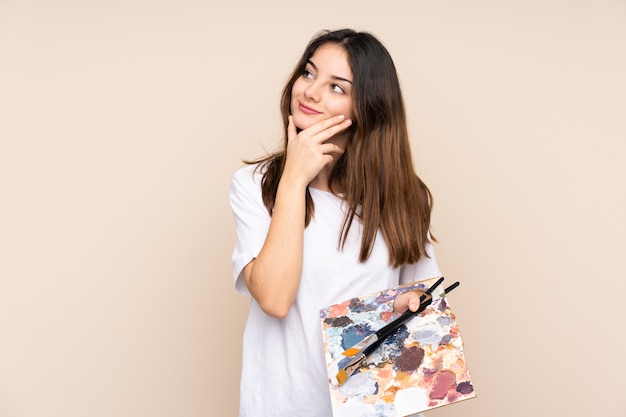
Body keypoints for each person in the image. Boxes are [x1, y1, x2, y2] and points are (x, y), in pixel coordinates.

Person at [229, 28, 441, 417]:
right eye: (308, 74)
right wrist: (294, 179)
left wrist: (410, 303)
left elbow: (421, 298)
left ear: (367, 108)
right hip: (279, 406)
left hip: (369, 406)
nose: (310, 92)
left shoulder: (405, 198)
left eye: (336, 87)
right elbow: (274, 300)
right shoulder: (256, 186)